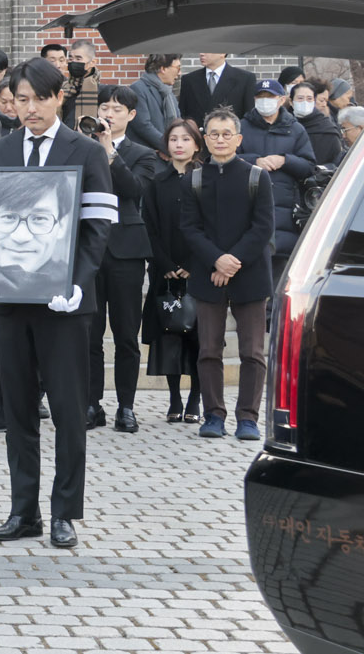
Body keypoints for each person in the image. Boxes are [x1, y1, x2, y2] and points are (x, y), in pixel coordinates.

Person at [0, 59, 114, 551]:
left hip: (64, 303)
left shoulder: (86, 151)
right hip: (9, 301)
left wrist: (77, 281)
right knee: (19, 409)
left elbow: (97, 226)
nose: (28, 108)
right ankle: (22, 510)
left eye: (37, 99)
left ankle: (65, 512)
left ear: (58, 99)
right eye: (19, 99)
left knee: (69, 410)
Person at [181, 109, 276, 442]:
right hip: (209, 274)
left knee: (252, 351)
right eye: (213, 134)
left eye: (226, 134)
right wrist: (216, 260)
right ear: (204, 139)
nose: (220, 139)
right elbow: (189, 229)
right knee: (209, 349)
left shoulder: (256, 177)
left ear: (238, 138)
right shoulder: (193, 179)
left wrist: (232, 260)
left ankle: (248, 417)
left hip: (249, 275)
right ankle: (213, 414)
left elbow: (263, 226)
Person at [90, 87, 159, 432]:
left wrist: (110, 154)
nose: (110, 113)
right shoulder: (83, 146)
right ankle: (92, 404)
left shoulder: (143, 153)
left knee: (126, 334)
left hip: (127, 251)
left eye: (117, 108)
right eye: (105, 106)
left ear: (131, 115)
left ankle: (126, 406)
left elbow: (134, 191)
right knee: (89, 333)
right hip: (88, 248)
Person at [143, 118, 204, 424]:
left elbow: (212, 227)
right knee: (169, 333)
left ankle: (196, 398)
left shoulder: (207, 180)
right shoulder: (157, 182)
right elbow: (150, 228)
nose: (179, 144)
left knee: (198, 335)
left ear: (196, 143)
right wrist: (165, 265)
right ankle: (174, 399)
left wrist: (194, 265)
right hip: (164, 271)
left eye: (185, 139)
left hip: (200, 270)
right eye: (173, 139)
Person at [237, 79, 316, 272]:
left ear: (281, 100)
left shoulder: (295, 129)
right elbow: (229, 160)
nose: (265, 101)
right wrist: (255, 161)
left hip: (286, 210)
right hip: (248, 205)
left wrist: (285, 160)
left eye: (270, 97)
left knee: (280, 271)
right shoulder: (241, 127)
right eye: (261, 97)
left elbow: (309, 166)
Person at [178, 53, 253, 129]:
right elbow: (183, 115)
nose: (201, 54)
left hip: (228, 137)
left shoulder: (244, 79)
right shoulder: (189, 80)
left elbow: (248, 116)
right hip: (198, 137)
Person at [125, 54, 183, 151]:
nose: (180, 73)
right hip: (147, 155)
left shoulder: (168, 93)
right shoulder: (138, 89)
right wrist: (168, 148)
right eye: (178, 68)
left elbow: (178, 122)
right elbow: (143, 126)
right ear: (163, 69)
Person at [288, 80, 342, 165]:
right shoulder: (283, 125)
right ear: (291, 102)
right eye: (300, 98)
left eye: (309, 99)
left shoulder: (327, 130)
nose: (305, 102)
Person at [60, 41, 102, 128]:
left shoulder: (101, 91)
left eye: (78, 59)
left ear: (92, 62)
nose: (73, 62)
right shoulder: (62, 89)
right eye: (71, 59)